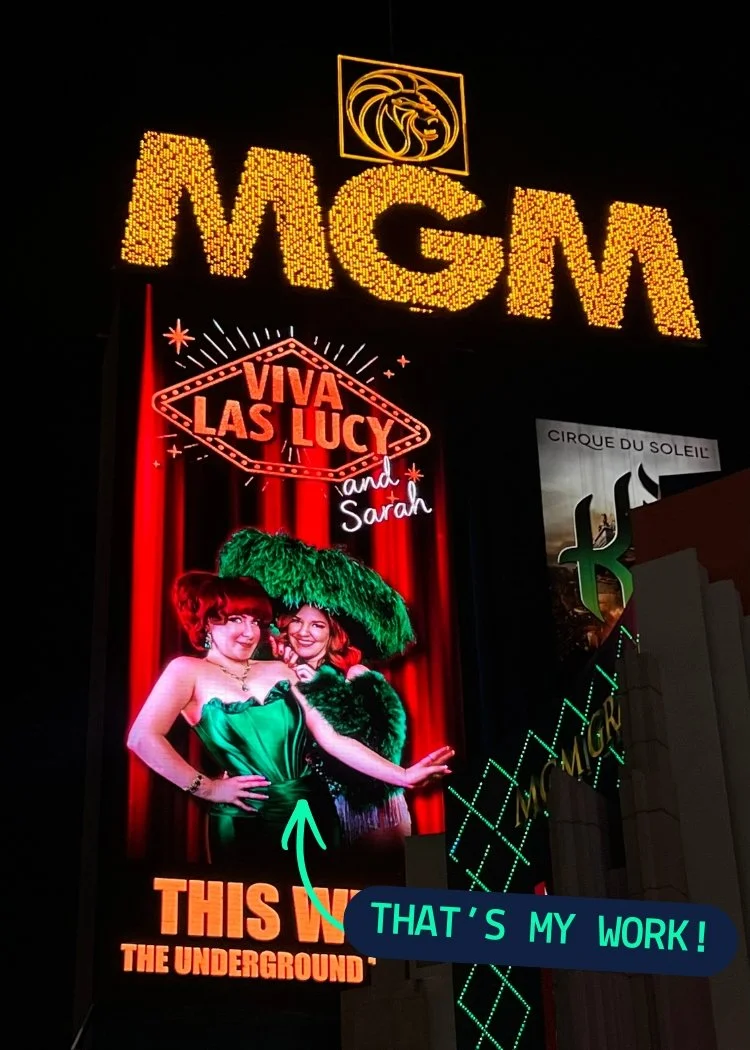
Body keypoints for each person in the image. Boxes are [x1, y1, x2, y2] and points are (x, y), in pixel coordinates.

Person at [127, 572, 451, 867]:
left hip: (313, 809)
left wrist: (403, 775)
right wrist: (207, 788)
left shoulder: (282, 670)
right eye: (235, 619)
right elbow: (142, 737)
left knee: (322, 905)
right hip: (245, 819)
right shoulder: (186, 670)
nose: (249, 632)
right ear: (207, 623)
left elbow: (332, 738)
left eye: (256, 621)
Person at [216, 527, 454, 850]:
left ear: (333, 635)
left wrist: (319, 688)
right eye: (297, 621)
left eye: (317, 625)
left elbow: (381, 745)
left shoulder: (355, 675)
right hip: (310, 809)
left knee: (392, 880)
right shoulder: (275, 674)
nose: (304, 632)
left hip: (366, 811)